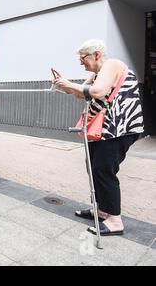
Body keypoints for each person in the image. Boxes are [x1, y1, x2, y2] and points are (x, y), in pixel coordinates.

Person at [53, 39, 144, 236]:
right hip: (103, 128)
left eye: (82, 58)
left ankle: (115, 221)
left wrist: (70, 85)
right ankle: (101, 210)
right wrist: (64, 85)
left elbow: (98, 91)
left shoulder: (112, 65)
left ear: (96, 55)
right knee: (93, 167)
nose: (81, 63)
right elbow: (80, 94)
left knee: (103, 169)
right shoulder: (97, 74)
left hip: (119, 128)